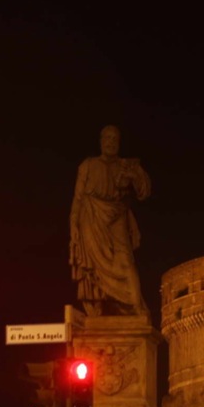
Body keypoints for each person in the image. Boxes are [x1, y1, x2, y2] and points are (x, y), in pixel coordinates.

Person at [70, 125, 152, 316]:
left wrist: (134, 176)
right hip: (91, 215)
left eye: (114, 139)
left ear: (119, 143)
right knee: (93, 263)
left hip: (117, 214)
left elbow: (144, 191)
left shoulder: (127, 166)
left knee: (126, 260)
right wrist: (73, 223)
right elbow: (78, 198)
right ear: (100, 141)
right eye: (107, 138)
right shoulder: (87, 165)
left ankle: (136, 306)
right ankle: (96, 306)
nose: (111, 142)